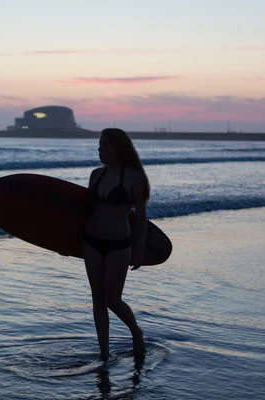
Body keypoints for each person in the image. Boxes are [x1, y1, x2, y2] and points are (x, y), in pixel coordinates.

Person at [83, 128, 151, 361]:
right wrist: (64, 242)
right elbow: (83, 212)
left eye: (105, 145)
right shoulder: (95, 175)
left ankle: (136, 331)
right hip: (91, 242)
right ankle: (104, 353)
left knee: (112, 299)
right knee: (97, 299)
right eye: (99, 145)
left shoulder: (133, 177)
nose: (100, 149)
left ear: (118, 148)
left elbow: (141, 216)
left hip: (119, 244)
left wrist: (139, 249)